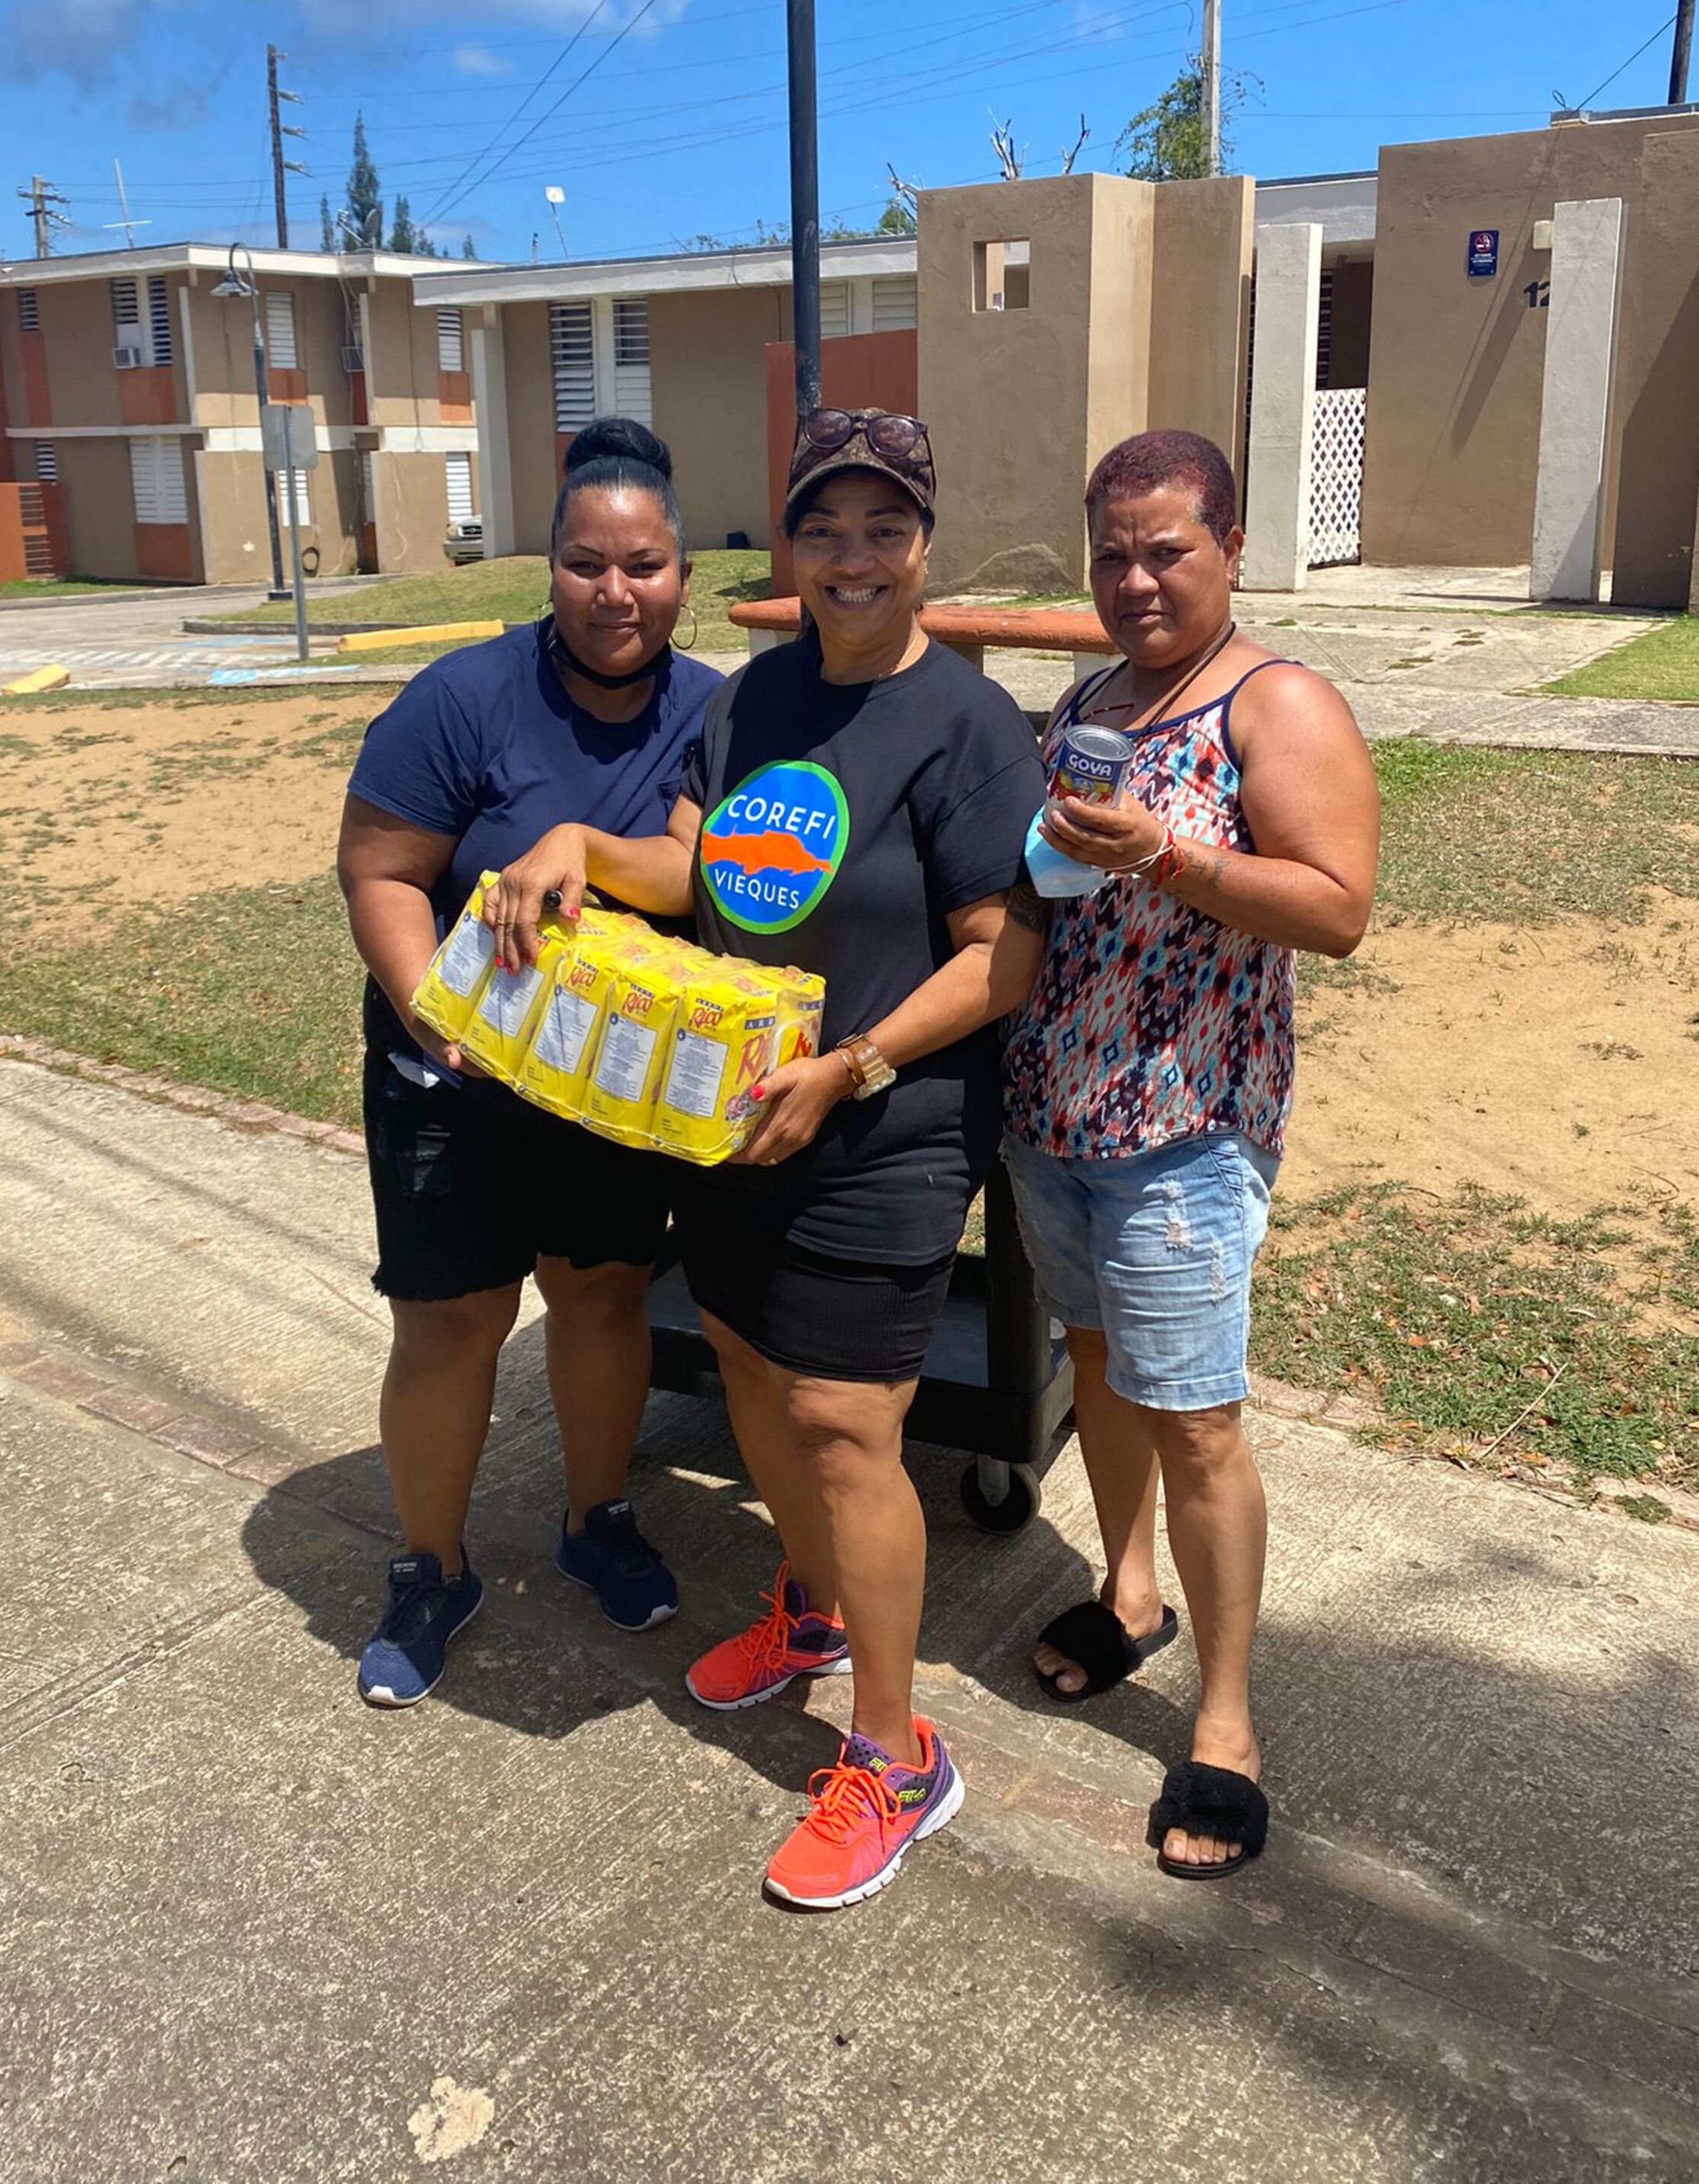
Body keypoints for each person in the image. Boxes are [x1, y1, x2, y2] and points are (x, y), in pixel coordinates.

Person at [486, 409, 1045, 1909]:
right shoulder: (751, 703)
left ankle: (891, 1753)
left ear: (923, 542)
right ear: (787, 548)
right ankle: (806, 1610)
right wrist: (574, 852)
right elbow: (699, 865)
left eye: (882, 527)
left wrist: (855, 1064)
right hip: (735, 1115)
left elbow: (1002, 961)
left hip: (884, 1126)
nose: (851, 555)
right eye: (823, 528)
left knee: (841, 1420)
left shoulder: (970, 731)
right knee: (740, 1366)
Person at [1003, 428, 1380, 1880]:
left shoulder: (1271, 703)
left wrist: (1165, 854)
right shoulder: (1089, 698)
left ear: (1228, 547)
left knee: (1200, 1418)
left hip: (1185, 1129)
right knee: (1091, 1368)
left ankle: (1223, 1727)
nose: (1136, 575)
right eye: (1112, 549)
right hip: (1055, 1112)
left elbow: (1336, 907)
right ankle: (1129, 1588)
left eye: (1167, 547)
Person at [334, 419, 721, 1709]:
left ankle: (594, 1517)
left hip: (605, 1089)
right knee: (450, 1324)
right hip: (452, 1079)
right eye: (586, 563)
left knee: (603, 1295)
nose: (617, 592)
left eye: (646, 564)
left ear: (684, 574)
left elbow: (698, 869)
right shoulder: (463, 696)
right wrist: (422, 1010)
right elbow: (382, 867)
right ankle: (430, 1566)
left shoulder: (711, 715)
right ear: (548, 568)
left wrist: (579, 844)